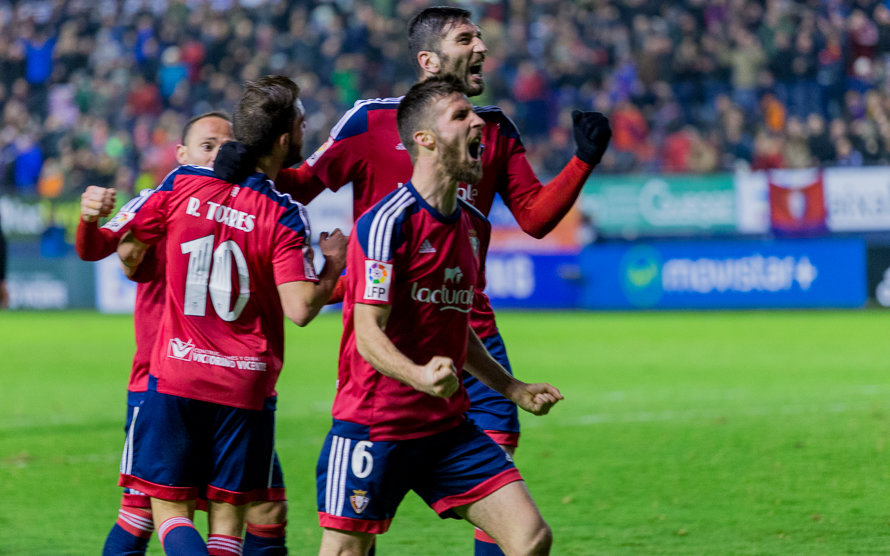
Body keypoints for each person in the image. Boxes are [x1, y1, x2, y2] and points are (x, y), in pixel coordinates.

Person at [215, 8, 610, 553]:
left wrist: (582, 161)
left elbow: (536, 217)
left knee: (513, 518)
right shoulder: (369, 126)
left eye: (481, 37)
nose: (482, 48)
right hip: (387, 341)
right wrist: (249, 165)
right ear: (428, 60)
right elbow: (299, 184)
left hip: (469, 334)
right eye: (466, 38)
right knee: (356, 532)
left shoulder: (492, 132)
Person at [97, 76, 346, 554]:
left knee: (169, 512)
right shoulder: (283, 211)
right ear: (283, 138)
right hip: (244, 385)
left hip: (176, 374)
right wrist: (333, 264)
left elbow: (126, 250)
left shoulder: (181, 188)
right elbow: (299, 308)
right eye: (301, 124)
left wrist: (96, 226)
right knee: (226, 526)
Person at [316, 75, 562, 556]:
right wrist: (418, 375)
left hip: (445, 427)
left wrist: (511, 387)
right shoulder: (387, 224)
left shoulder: (473, 227)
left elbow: (455, 324)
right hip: (375, 425)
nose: (479, 123)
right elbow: (367, 332)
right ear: (424, 140)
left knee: (530, 538)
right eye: (462, 116)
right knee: (346, 551)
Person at [77, 112, 293, 555]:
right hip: (164, 379)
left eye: (227, 146)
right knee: (145, 513)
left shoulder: (246, 207)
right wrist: (92, 222)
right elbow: (110, 248)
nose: (218, 155)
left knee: (257, 507)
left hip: (219, 381)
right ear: (181, 155)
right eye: (207, 146)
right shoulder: (170, 195)